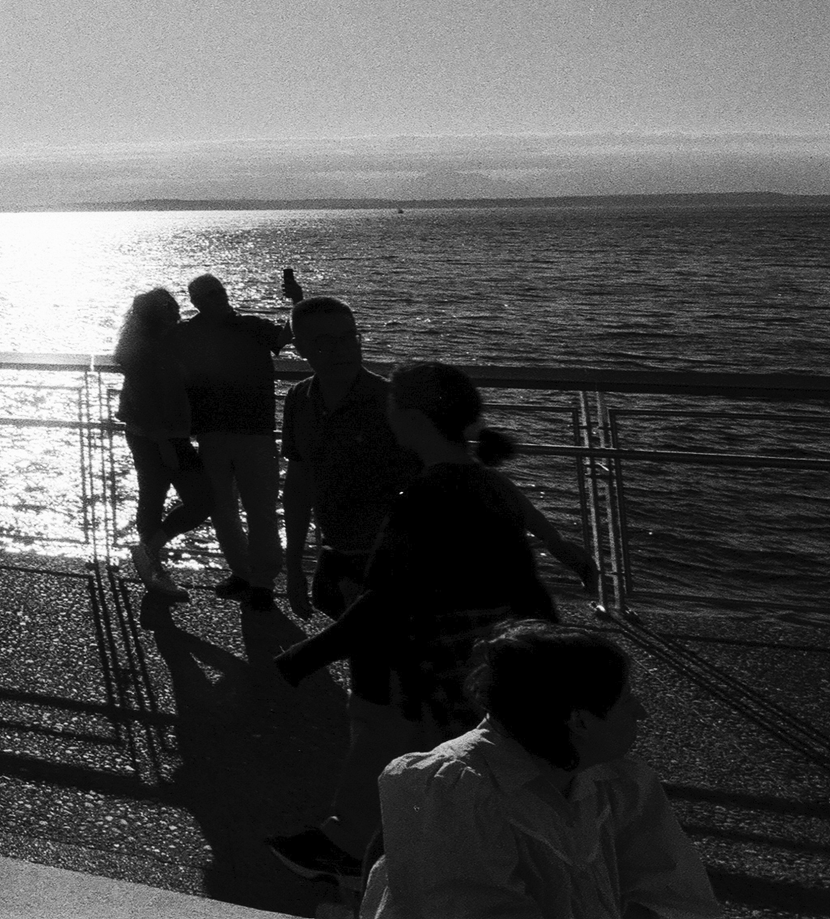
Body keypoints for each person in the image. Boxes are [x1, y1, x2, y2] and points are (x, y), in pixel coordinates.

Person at [273, 364, 590, 883]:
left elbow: (386, 597)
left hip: (418, 655)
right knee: (438, 753)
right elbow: (521, 568)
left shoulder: (424, 496)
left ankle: (359, 849)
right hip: (471, 648)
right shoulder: (484, 482)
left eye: (393, 404)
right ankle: (372, 842)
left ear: (413, 420)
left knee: (383, 740)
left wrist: (303, 657)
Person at [364, 623, 721, 916]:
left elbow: (671, 891)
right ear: (579, 721)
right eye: (626, 700)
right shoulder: (455, 788)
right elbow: (466, 908)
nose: (640, 712)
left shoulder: (619, 783)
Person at [263, 292, 422, 883]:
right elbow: (299, 481)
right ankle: (390, 831)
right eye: (323, 341)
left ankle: (358, 841)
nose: (339, 350)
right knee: (389, 702)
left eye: (347, 337)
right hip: (343, 563)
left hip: (396, 574)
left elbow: (435, 479)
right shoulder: (300, 400)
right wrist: (296, 562)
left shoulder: (390, 403)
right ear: (298, 347)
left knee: (377, 704)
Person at [175, 273, 289, 609]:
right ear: (196, 301)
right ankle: (244, 574)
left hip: (254, 433)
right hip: (214, 433)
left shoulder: (251, 325)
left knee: (260, 511)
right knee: (223, 511)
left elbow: (290, 334)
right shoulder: (187, 333)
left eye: (220, 291)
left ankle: (263, 583)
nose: (219, 297)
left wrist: (298, 300)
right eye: (210, 294)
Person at [113, 287, 214, 599]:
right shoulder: (148, 349)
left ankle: (151, 562)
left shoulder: (156, 343)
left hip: (159, 434)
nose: (176, 311)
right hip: (155, 436)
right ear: (156, 316)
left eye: (174, 306)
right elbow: (145, 401)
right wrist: (165, 444)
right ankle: (152, 562)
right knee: (197, 499)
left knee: (155, 497)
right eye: (169, 308)